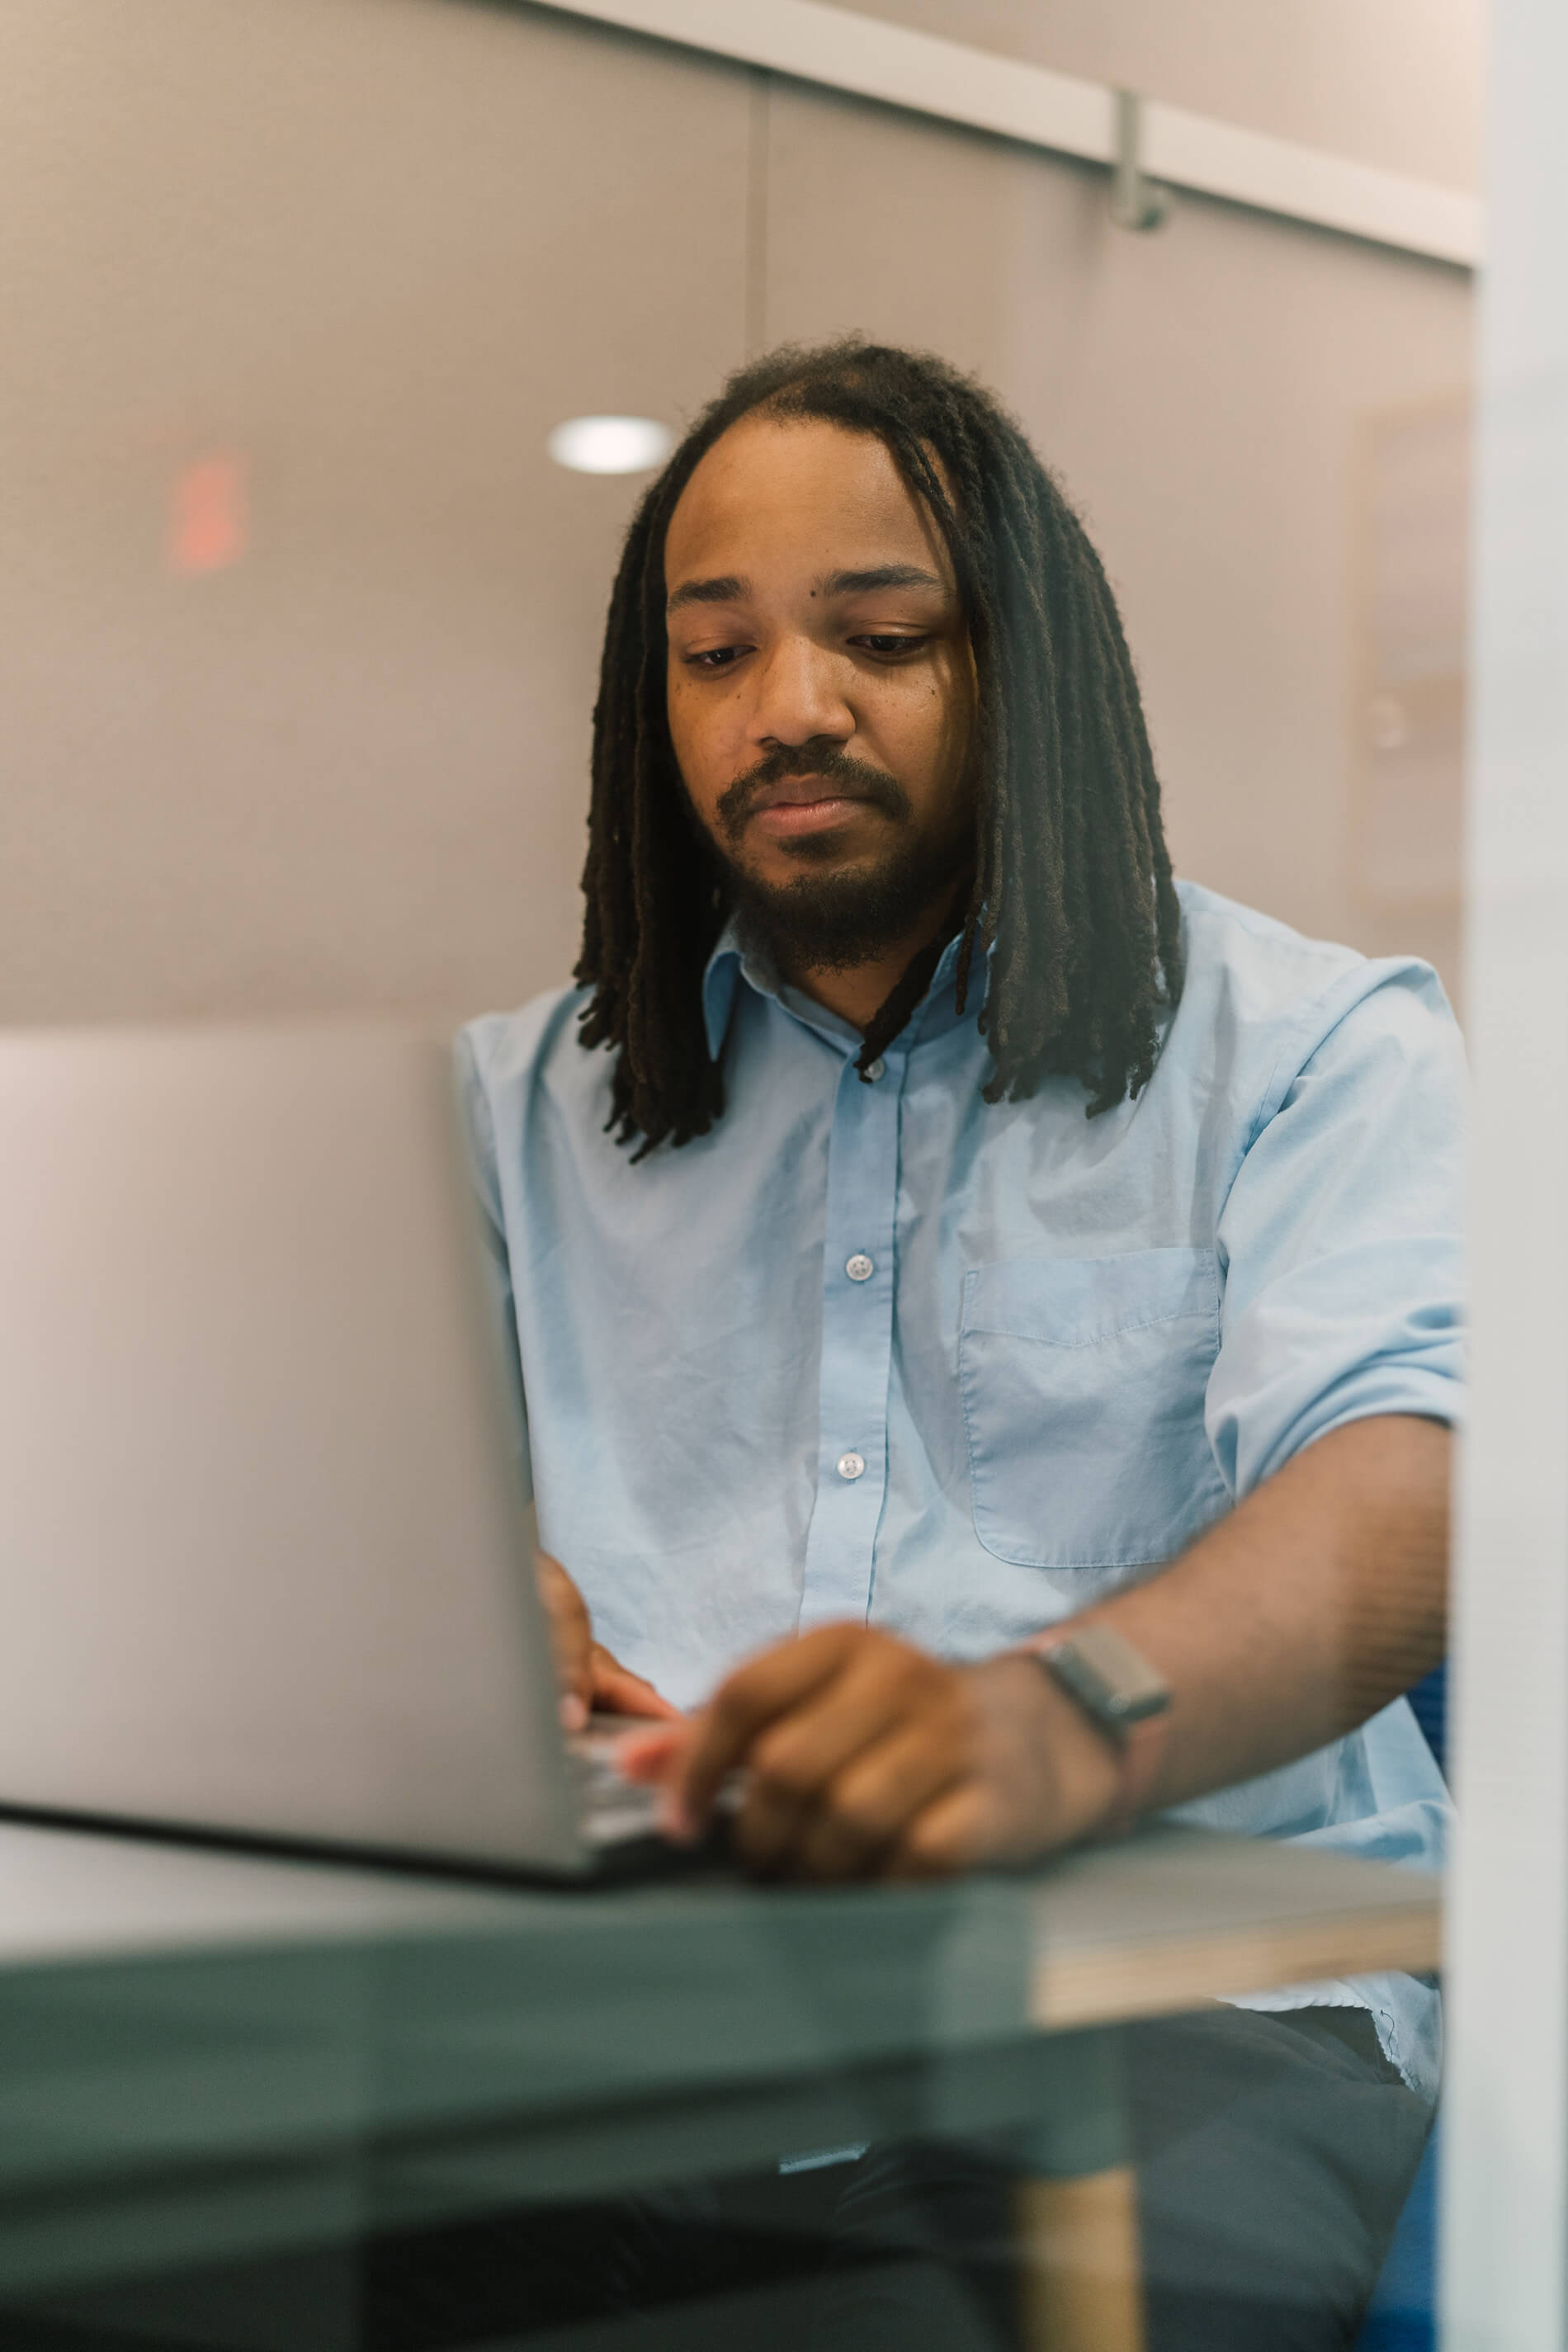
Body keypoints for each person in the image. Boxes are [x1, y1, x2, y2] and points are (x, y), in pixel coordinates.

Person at [456, 340, 1457, 2349]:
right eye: (712, 653)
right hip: (625, 2011)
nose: (789, 708)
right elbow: (304, 1509)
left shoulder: (1318, 1053)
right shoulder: (500, 1108)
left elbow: (1414, 1487)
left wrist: (1043, 1720)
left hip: (1175, 2009)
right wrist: (446, 1609)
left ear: (1028, 666)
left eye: (882, 635)